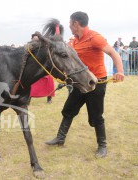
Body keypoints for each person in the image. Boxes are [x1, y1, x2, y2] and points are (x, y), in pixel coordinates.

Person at [45, 11, 124, 158]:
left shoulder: (95, 38)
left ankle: (102, 145)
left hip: (96, 82)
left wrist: (120, 71)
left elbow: (114, 53)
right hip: (79, 82)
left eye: (70, 23)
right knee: (68, 110)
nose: (69, 26)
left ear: (76, 23)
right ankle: (60, 138)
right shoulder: (74, 41)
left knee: (96, 116)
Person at [29, 31, 55, 104]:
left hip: (44, 66)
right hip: (34, 67)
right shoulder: (29, 46)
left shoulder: (44, 46)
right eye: (34, 39)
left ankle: (49, 99)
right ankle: (28, 99)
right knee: (31, 83)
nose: (35, 41)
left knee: (49, 82)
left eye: (37, 39)